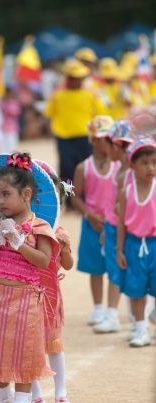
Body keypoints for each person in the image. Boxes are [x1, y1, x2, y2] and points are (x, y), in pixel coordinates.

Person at [0, 152, 58, 403]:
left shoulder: (41, 227)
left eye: (6, 194)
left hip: (26, 299)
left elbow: (44, 261)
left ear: (25, 194)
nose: (0, 201)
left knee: (25, 350)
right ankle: (3, 397)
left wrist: (19, 242)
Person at [30, 164, 74, 403]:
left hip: (51, 296)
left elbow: (67, 265)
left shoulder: (58, 230)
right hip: (27, 293)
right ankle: (35, 393)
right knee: (31, 344)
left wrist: (65, 248)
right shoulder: (27, 228)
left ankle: (61, 392)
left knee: (54, 343)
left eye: (54, 198)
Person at [71, 116, 118, 326]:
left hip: (114, 224)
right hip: (92, 225)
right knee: (95, 268)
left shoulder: (119, 166)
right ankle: (98, 308)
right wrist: (89, 215)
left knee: (115, 266)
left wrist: (114, 217)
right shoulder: (83, 168)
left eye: (111, 139)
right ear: (93, 141)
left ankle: (113, 311)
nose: (109, 143)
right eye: (104, 139)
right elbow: (75, 195)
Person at [92, 120, 134, 334]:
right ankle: (112, 313)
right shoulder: (87, 166)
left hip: (125, 230)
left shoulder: (128, 173)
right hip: (110, 227)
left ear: (116, 146)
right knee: (114, 271)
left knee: (127, 271)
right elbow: (72, 188)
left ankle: (132, 316)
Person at [45, 59, 107, 195]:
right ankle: (69, 196)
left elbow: (100, 114)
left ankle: (85, 197)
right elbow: (49, 113)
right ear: (68, 78)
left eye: (80, 78)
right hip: (64, 137)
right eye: (74, 78)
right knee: (67, 168)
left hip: (85, 137)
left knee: (86, 169)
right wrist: (51, 130)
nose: (77, 81)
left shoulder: (90, 93)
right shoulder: (58, 94)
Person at [117, 136, 156, 347]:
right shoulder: (126, 192)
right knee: (136, 289)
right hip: (133, 246)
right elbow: (122, 223)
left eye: (154, 162)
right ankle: (141, 329)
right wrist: (120, 250)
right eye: (144, 163)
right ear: (132, 164)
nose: (150, 167)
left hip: (155, 244)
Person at [0, 88, 21, 154]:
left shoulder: (14, 103)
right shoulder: (2, 103)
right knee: (3, 148)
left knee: (12, 147)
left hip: (12, 128)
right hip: (3, 128)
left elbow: (16, 112)